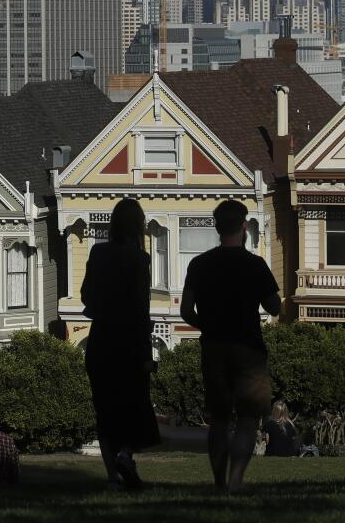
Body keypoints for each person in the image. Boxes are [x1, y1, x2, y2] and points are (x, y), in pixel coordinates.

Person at [180, 199, 281, 493]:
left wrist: (208, 325)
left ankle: (218, 481)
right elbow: (273, 307)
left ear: (216, 226)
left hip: (213, 346)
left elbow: (187, 310)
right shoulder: (255, 265)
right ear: (243, 227)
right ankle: (236, 479)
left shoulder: (199, 264)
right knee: (248, 418)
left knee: (219, 419)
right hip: (248, 346)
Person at [80, 197, 161, 489]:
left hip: (101, 339)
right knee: (134, 405)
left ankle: (112, 475)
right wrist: (146, 352)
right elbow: (141, 307)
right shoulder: (139, 260)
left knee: (105, 409)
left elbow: (87, 296)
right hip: (129, 341)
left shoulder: (98, 253)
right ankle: (126, 454)